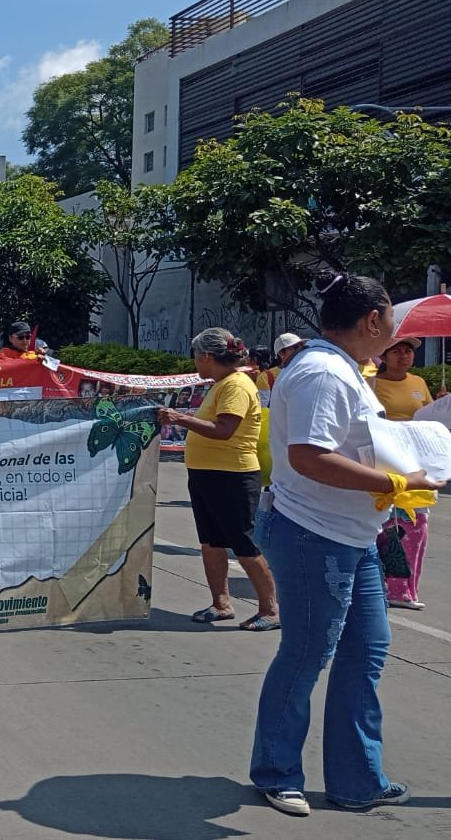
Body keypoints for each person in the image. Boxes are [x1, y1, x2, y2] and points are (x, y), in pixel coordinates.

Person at [250, 273, 443, 817]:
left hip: (351, 537)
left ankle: (357, 780)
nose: (397, 334)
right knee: (307, 654)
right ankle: (276, 773)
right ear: (372, 320)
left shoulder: (344, 370)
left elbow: (348, 446)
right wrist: (395, 482)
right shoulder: (323, 373)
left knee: (366, 652)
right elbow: (309, 456)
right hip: (315, 535)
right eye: (391, 320)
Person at [158, 328, 279, 632]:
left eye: (196, 356)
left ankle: (270, 609)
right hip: (207, 474)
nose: (195, 362)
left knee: (243, 544)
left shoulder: (235, 385)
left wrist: (181, 419)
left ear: (207, 356)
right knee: (211, 541)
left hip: (232, 475)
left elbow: (224, 429)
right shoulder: (221, 384)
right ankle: (221, 603)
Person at [373, 336, 434, 610]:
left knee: (417, 524)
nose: (403, 356)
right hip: (386, 464)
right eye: (396, 351)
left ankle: (407, 589)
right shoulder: (372, 384)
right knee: (389, 526)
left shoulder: (418, 383)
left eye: (408, 351)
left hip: (417, 463)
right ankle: (387, 586)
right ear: (384, 356)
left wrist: (440, 406)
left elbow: (429, 418)